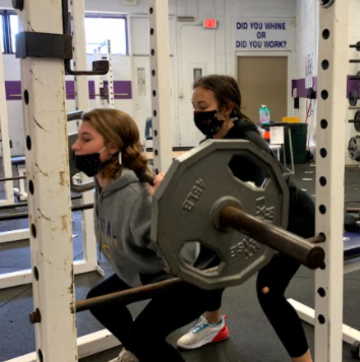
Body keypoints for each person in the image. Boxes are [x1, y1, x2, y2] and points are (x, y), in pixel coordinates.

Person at [161, 75, 315, 362]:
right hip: (249, 216)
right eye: (194, 107)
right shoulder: (215, 138)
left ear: (226, 108)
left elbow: (269, 200)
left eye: (203, 106)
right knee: (211, 255)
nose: (198, 114)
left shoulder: (250, 144)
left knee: (269, 292)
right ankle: (214, 324)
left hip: (292, 219)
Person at [72, 109, 222, 362]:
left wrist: (167, 213)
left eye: (86, 139)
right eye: (78, 138)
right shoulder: (105, 184)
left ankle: (140, 347)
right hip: (146, 270)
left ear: (112, 147)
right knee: (100, 302)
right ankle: (138, 351)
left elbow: (186, 254)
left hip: (194, 278)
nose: (75, 146)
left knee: (143, 337)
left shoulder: (135, 194)